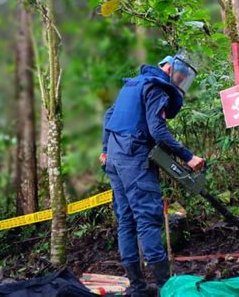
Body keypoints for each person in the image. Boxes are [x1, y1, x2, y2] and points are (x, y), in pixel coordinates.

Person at [99, 51, 205, 296]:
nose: (180, 80)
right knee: (148, 219)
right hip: (133, 159)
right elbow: (158, 131)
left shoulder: (133, 85)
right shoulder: (155, 87)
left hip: (115, 159)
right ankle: (165, 287)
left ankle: (138, 288)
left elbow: (108, 116)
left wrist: (106, 149)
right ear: (168, 68)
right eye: (179, 74)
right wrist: (189, 157)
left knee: (126, 220)